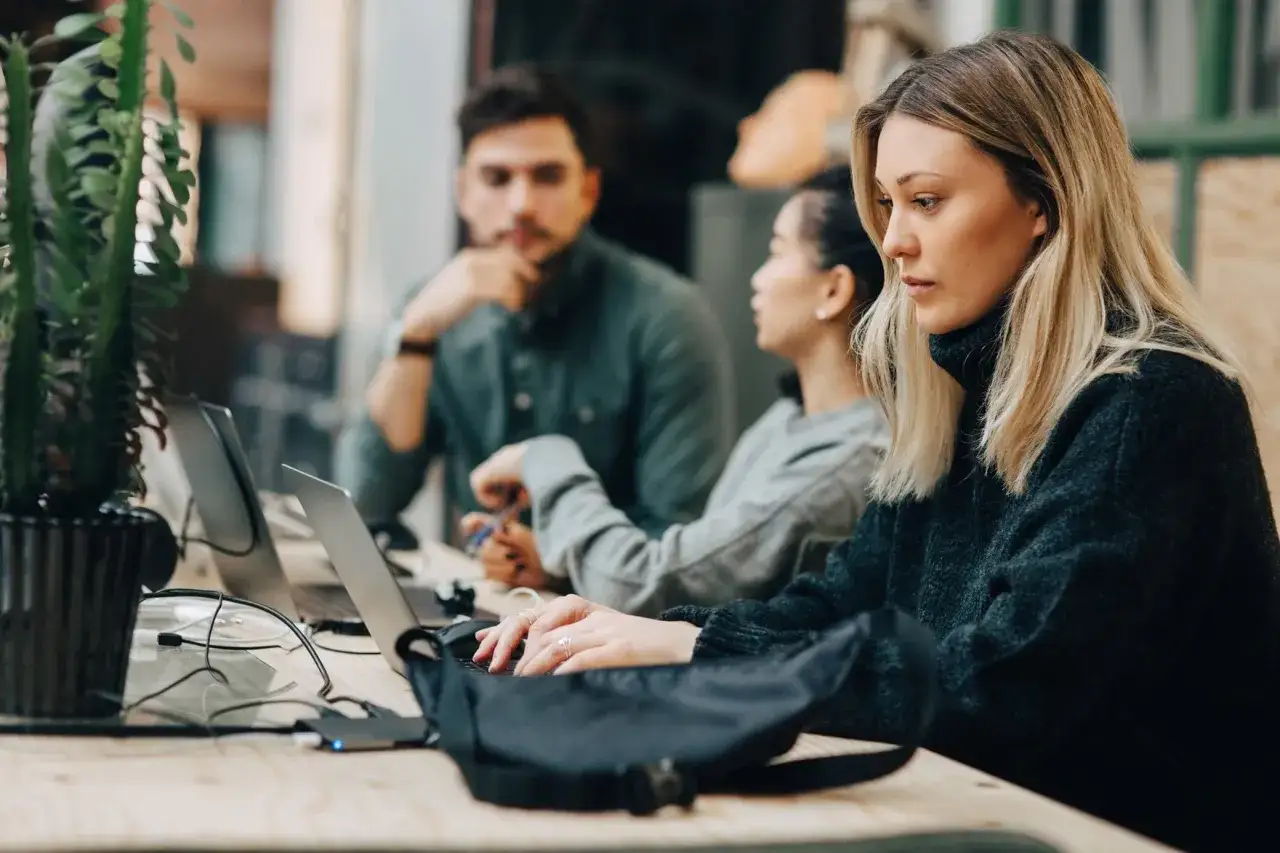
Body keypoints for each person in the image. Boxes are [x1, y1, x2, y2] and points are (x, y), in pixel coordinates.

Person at [470, 32, 1280, 853]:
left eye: (926, 201)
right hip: (989, 817)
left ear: (1045, 203)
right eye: (886, 205)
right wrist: (631, 634)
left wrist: (694, 648)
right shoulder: (966, 393)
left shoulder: (1151, 402)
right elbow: (840, 604)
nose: (892, 241)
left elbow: (997, 694)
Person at [334, 65, 736, 554]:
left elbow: (680, 536)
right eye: (497, 178)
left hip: (612, 621)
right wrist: (415, 335)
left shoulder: (666, 317)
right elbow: (366, 502)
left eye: (547, 176)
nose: (522, 204)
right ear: (464, 192)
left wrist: (551, 562)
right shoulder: (434, 307)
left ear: (588, 191)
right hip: (479, 611)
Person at [461, 166, 891, 615]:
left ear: (834, 288)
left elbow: (646, 586)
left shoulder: (845, 465)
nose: (757, 279)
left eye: (776, 252)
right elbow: (699, 582)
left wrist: (545, 460)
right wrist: (558, 570)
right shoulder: (789, 419)